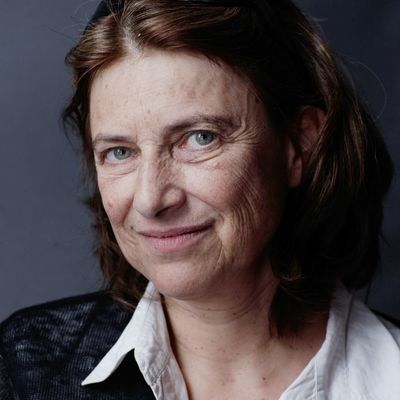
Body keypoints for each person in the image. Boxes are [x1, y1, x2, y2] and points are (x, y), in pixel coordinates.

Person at [1, 0, 399, 398]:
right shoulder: (27, 370)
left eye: (200, 137)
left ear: (299, 144)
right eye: (120, 151)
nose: (150, 199)